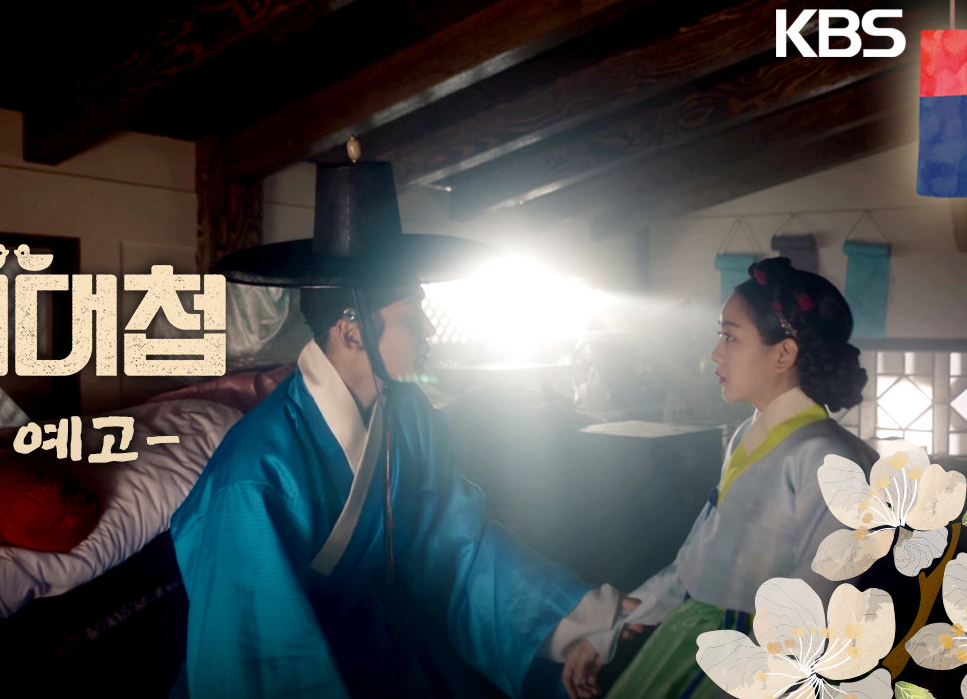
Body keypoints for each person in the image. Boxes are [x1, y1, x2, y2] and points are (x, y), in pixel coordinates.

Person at [171, 157, 635, 699]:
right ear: (352, 332)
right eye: (413, 318)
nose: (429, 331)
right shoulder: (254, 475)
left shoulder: (409, 414)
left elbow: (459, 543)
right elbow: (258, 649)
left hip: (377, 639)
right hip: (297, 666)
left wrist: (577, 618)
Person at [600, 257, 878, 699]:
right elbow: (698, 555)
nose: (715, 353)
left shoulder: (831, 458)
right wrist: (616, 625)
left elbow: (817, 604)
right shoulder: (747, 435)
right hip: (690, 632)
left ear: (784, 353)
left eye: (729, 336)